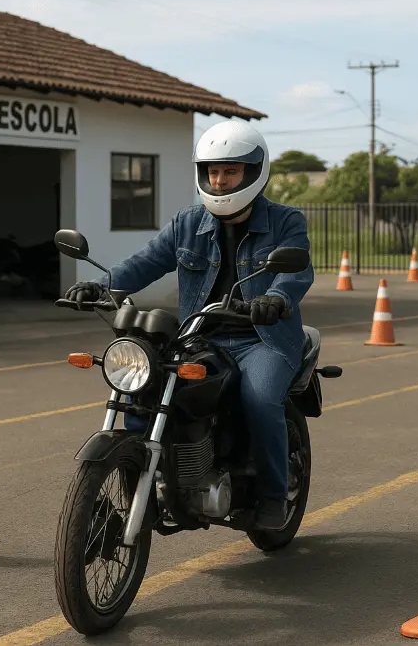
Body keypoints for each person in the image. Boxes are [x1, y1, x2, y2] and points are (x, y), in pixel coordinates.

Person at [64, 119, 313, 531]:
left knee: (260, 399)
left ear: (254, 172)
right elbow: (145, 262)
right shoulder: (187, 223)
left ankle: (272, 495)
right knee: (144, 393)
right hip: (200, 337)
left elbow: (295, 271)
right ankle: (155, 482)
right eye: (213, 171)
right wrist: (100, 285)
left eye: (230, 171)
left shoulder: (286, 221)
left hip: (262, 338)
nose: (219, 180)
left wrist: (277, 298)